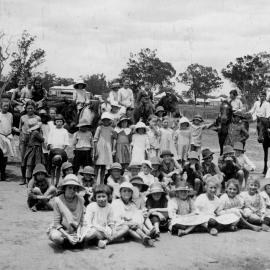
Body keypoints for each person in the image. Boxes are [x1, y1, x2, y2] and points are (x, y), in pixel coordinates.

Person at [111, 182, 154, 247]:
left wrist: (133, 222)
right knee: (128, 227)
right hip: (117, 225)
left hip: (130, 225)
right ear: (120, 193)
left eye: (129, 191)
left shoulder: (132, 204)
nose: (127, 193)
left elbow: (134, 216)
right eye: (124, 191)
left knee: (136, 218)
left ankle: (145, 237)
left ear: (131, 193)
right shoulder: (116, 203)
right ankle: (143, 238)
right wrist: (127, 222)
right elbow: (115, 219)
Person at [48, 174, 85, 247]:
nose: (72, 190)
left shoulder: (81, 200)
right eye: (70, 188)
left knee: (89, 234)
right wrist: (68, 236)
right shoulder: (57, 200)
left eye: (75, 188)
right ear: (64, 188)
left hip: (76, 229)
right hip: (62, 230)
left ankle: (71, 242)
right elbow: (57, 223)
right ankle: (67, 242)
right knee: (55, 237)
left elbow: (81, 221)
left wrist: (79, 233)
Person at [19, 100, 41, 185]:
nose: (30, 110)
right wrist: (21, 139)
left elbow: (39, 130)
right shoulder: (23, 117)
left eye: (32, 108)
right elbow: (20, 129)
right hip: (24, 140)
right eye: (28, 108)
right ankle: (23, 178)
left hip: (33, 141)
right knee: (23, 159)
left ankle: (32, 178)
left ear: (34, 108)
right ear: (26, 108)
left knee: (32, 160)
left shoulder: (37, 118)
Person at [47, 114, 69, 186]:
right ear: (55, 122)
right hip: (53, 150)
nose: (59, 123)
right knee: (53, 167)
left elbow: (66, 143)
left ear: (63, 122)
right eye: (57, 121)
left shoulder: (65, 131)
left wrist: (61, 151)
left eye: (60, 121)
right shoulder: (52, 130)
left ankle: (57, 182)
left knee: (59, 167)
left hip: (61, 151)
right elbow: (49, 141)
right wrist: (51, 149)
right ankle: (52, 182)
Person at [93, 112, 115, 184]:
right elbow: (95, 140)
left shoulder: (111, 129)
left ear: (110, 121)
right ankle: (95, 182)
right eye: (104, 120)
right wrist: (95, 151)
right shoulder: (99, 128)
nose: (106, 121)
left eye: (108, 120)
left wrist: (112, 149)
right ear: (102, 120)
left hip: (107, 148)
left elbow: (113, 139)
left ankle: (102, 182)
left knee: (103, 166)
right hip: (100, 148)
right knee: (97, 165)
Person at [23, 118, 45, 184]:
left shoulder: (30, 132)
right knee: (36, 164)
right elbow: (42, 139)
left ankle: (27, 179)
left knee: (29, 165)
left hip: (30, 149)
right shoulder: (36, 132)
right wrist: (41, 132)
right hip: (36, 150)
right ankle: (34, 179)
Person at [0, 98, 14, 181]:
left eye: (7, 106)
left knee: (5, 156)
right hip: (0, 137)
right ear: (1, 106)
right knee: (0, 155)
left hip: (7, 137)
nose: (6, 107)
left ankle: (3, 173)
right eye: (4, 106)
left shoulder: (10, 115)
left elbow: (10, 125)